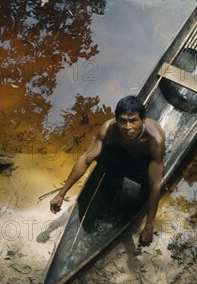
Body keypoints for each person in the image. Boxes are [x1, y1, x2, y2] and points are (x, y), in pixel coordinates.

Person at [50, 96, 166, 246]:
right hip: (121, 153)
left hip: (143, 162)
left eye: (133, 121)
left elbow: (155, 185)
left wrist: (149, 226)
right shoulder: (108, 129)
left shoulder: (154, 140)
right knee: (101, 153)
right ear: (116, 120)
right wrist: (61, 194)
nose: (127, 127)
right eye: (122, 121)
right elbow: (85, 159)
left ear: (143, 120)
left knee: (149, 185)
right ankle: (114, 177)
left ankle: (133, 195)